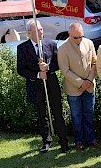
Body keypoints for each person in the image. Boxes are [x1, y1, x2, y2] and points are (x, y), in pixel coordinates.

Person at [17, 19, 69, 154]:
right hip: (36, 87)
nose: (41, 32)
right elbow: (21, 69)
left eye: (41, 29)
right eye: (37, 30)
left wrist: (49, 67)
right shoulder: (22, 48)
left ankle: (64, 142)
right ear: (29, 33)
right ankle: (46, 141)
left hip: (51, 84)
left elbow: (58, 63)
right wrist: (38, 74)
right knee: (42, 115)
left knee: (57, 112)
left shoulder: (51, 44)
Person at [58, 22, 98, 151]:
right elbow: (65, 70)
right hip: (74, 89)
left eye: (81, 36)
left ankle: (91, 139)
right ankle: (79, 140)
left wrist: (89, 81)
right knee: (76, 116)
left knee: (89, 113)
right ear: (69, 34)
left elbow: (94, 63)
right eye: (76, 37)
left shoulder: (89, 43)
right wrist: (81, 83)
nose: (79, 39)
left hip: (89, 86)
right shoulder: (63, 48)